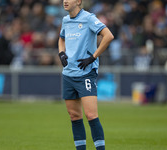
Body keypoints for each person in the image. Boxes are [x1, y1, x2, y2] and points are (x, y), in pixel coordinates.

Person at [58, 0, 114, 150]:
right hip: (68, 74)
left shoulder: (88, 18)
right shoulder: (65, 20)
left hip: (85, 74)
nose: (65, 1)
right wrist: (61, 52)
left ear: (78, 1)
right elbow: (61, 38)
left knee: (91, 115)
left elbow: (108, 36)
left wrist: (93, 57)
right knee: (74, 116)